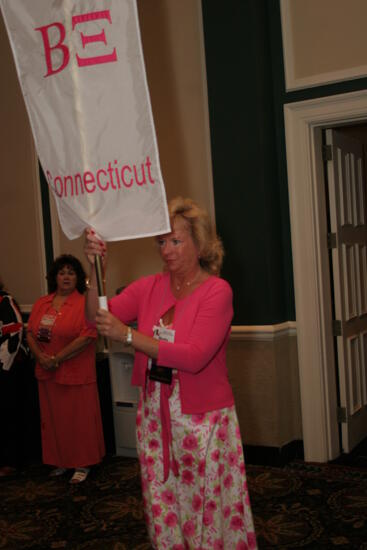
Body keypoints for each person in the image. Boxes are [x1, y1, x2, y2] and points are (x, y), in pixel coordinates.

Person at [84, 197, 257, 549]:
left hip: (202, 418)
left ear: (201, 243)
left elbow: (193, 357)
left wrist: (129, 335)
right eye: (161, 242)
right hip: (155, 414)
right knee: (164, 502)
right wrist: (95, 271)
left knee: (205, 504)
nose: (167, 250)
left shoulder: (217, 291)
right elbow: (96, 317)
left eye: (176, 241)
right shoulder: (150, 286)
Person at [26, 255, 105, 484]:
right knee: (54, 420)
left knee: (78, 420)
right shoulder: (42, 302)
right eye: (62, 272)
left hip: (76, 372)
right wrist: (41, 357)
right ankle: (61, 461)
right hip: (48, 372)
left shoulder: (84, 303)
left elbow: (87, 336)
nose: (66, 277)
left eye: (71, 272)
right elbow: (30, 332)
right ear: (54, 277)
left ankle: (82, 463)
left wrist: (57, 358)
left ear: (78, 278)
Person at [0, 277, 29, 476]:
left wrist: (3, 366)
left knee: (7, 416)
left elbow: (15, 332)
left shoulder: (4, 301)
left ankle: (10, 461)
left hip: (5, 368)